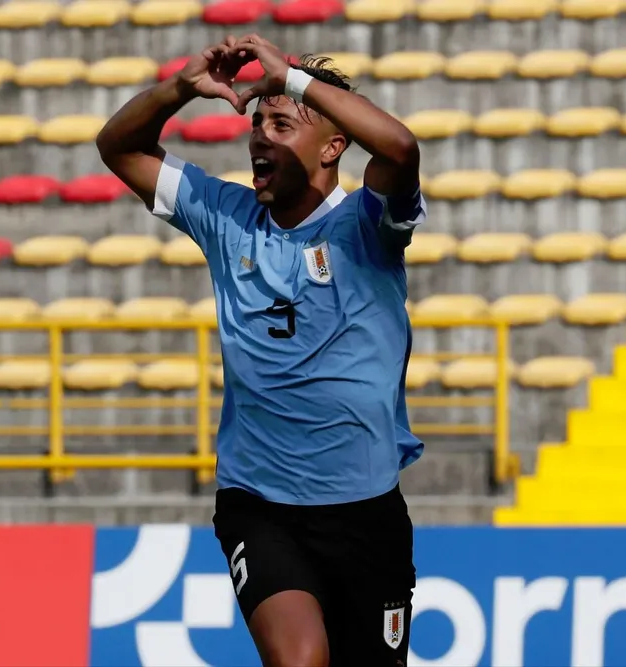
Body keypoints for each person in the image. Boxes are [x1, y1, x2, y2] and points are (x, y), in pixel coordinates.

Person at [97, 33, 426, 667]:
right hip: (261, 505)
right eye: (257, 122)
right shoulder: (226, 216)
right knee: (299, 658)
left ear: (332, 147)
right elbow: (119, 147)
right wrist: (179, 88)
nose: (260, 137)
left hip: (366, 511)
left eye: (281, 123)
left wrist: (294, 79)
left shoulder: (368, 227)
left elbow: (401, 148)